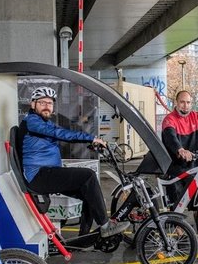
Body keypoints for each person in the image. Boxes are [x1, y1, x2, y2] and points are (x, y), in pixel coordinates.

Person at [20, 86, 126, 238]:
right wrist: (91, 138)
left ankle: (84, 238)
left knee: (90, 193)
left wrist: (90, 143)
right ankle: (105, 226)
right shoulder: (32, 121)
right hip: (39, 175)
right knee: (88, 176)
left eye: (49, 103)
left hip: (47, 172)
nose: (46, 107)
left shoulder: (43, 122)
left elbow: (60, 133)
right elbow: (60, 133)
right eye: (42, 103)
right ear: (33, 104)